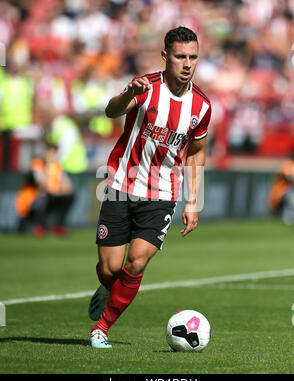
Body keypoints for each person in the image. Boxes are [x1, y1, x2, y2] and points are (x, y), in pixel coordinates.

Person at [88, 26, 212, 348]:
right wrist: (128, 93)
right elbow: (110, 111)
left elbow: (197, 153)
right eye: (180, 56)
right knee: (109, 268)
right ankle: (105, 288)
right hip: (120, 184)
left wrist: (192, 201)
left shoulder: (201, 107)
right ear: (165, 57)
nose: (187, 64)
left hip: (162, 194)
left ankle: (101, 329)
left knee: (137, 261)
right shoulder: (145, 87)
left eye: (193, 57)